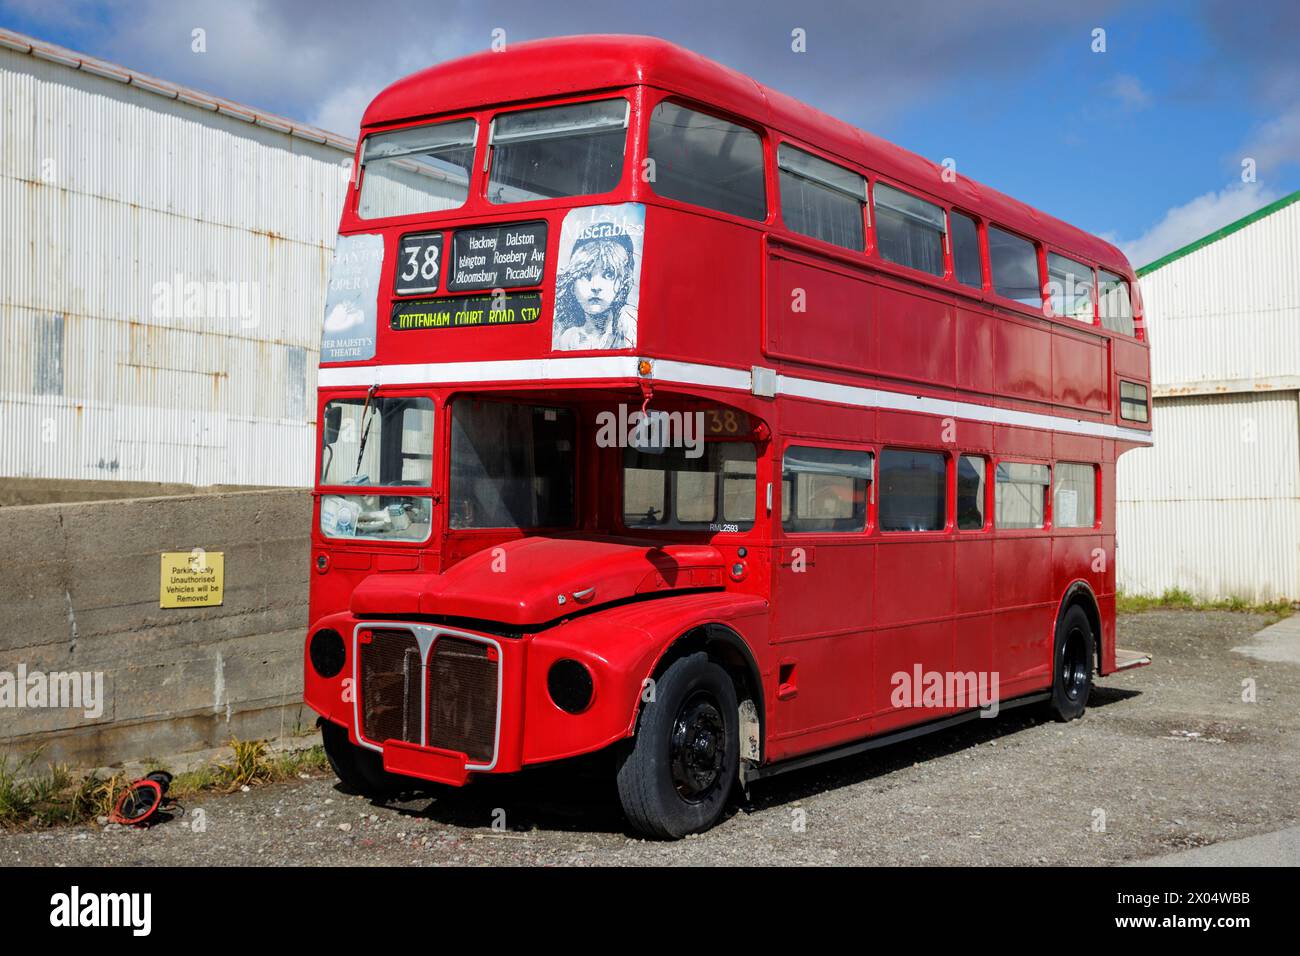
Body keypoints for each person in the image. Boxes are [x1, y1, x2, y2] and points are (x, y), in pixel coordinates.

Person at [552, 224, 638, 351]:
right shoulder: (565, 339)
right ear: (572, 284)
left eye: (608, 274)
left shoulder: (629, 329)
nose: (595, 287)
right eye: (585, 275)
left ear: (622, 282)